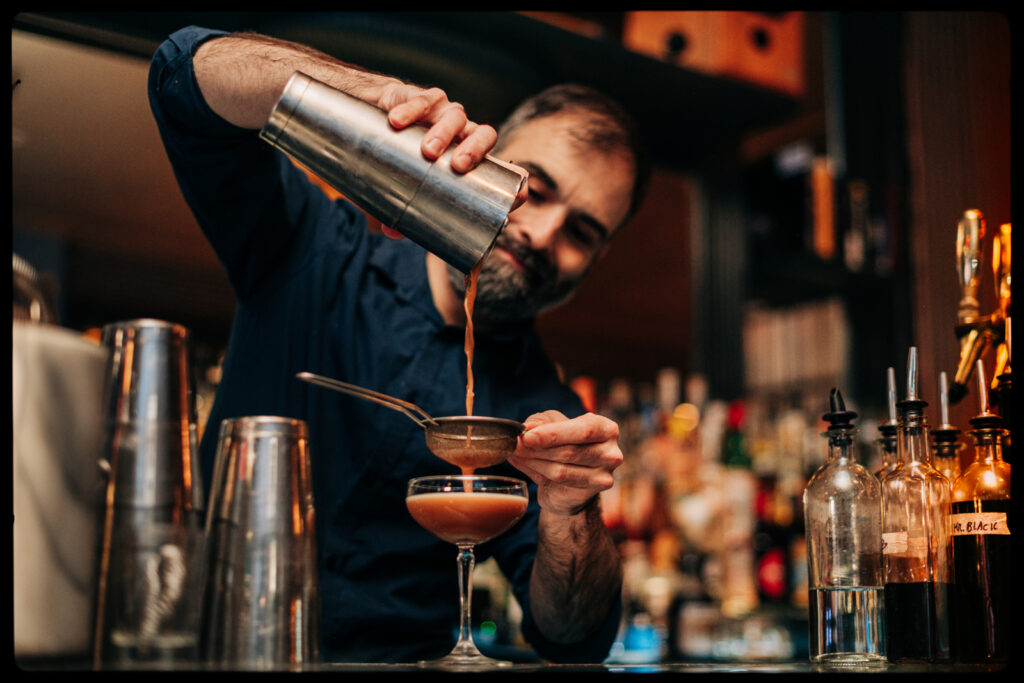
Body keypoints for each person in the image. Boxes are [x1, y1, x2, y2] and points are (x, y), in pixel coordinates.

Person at [148, 24, 649, 664]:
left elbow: (573, 636)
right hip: (218, 650)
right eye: (537, 190)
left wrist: (571, 511)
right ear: (490, 153)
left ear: (595, 261)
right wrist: (367, 96)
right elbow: (182, 77)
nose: (543, 234)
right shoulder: (312, 248)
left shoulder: (545, 414)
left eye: (581, 232)